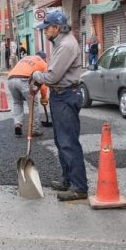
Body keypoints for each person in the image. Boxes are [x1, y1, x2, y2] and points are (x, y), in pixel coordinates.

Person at [31, 11, 88, 201]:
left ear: (57, 27)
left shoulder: (66, 45)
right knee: (61, 141)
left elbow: (53, 76)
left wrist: (36, 76)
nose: (45, 32)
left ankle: (79, 187)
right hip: (60, 96)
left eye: (47, 28)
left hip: (66, 96)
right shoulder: (59, 44)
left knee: (68, 143)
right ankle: (68, 180)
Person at [8, 51, 48, 137]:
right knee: (33, 104)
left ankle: (18, 124)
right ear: (44, 58)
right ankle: (34, 129)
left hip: (11, 79)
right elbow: (44, 83)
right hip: (24, 79)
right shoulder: (43, 63)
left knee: (17, 103)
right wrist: (44, 98)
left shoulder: (26, 58)